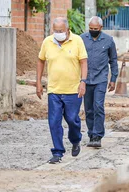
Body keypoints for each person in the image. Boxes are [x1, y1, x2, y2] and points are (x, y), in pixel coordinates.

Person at [36, 17, 88, 164]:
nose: (58, 33)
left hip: (73, 90)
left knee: (72, 119)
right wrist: (38, 82)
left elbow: (83, 62)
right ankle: (58, 152)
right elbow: (41, 60)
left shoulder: (77, 40)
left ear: (67, 29)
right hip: (54, 90)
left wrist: (83, 82)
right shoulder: (48, 42)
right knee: (54, 122)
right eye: (56, 31)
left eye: (61, 31)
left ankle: (76, 139)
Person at [80, 16, 118, 148]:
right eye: (91, 28)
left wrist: (113, 79)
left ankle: (97, 135)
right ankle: (91, 133)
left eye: (95, 29)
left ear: (101, 28)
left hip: (101, 79)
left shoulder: (108, 40)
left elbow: (113, 60)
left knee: (98, 106)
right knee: (88, 109)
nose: (93, 30)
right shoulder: (82, 39)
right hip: (86, 79)